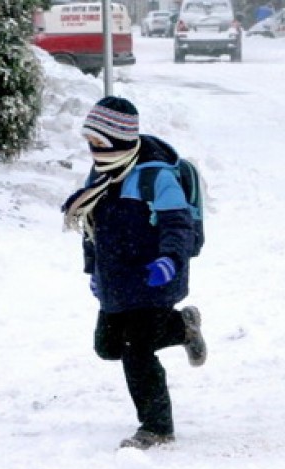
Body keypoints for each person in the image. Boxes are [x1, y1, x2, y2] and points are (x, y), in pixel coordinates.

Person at [62, 96, 208, 448]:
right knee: (107, 346)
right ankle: (181, 327)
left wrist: (170, 260)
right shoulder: (100, 175)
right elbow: (91, 226)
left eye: (98, 141)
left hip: (153, 275)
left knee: (136, 351)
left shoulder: (155, 176)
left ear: (117, 138)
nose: (92, 148)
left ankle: (157, 427)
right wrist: (93, 269)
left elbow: (178, 223)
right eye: (90, 141)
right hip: (116, 277)